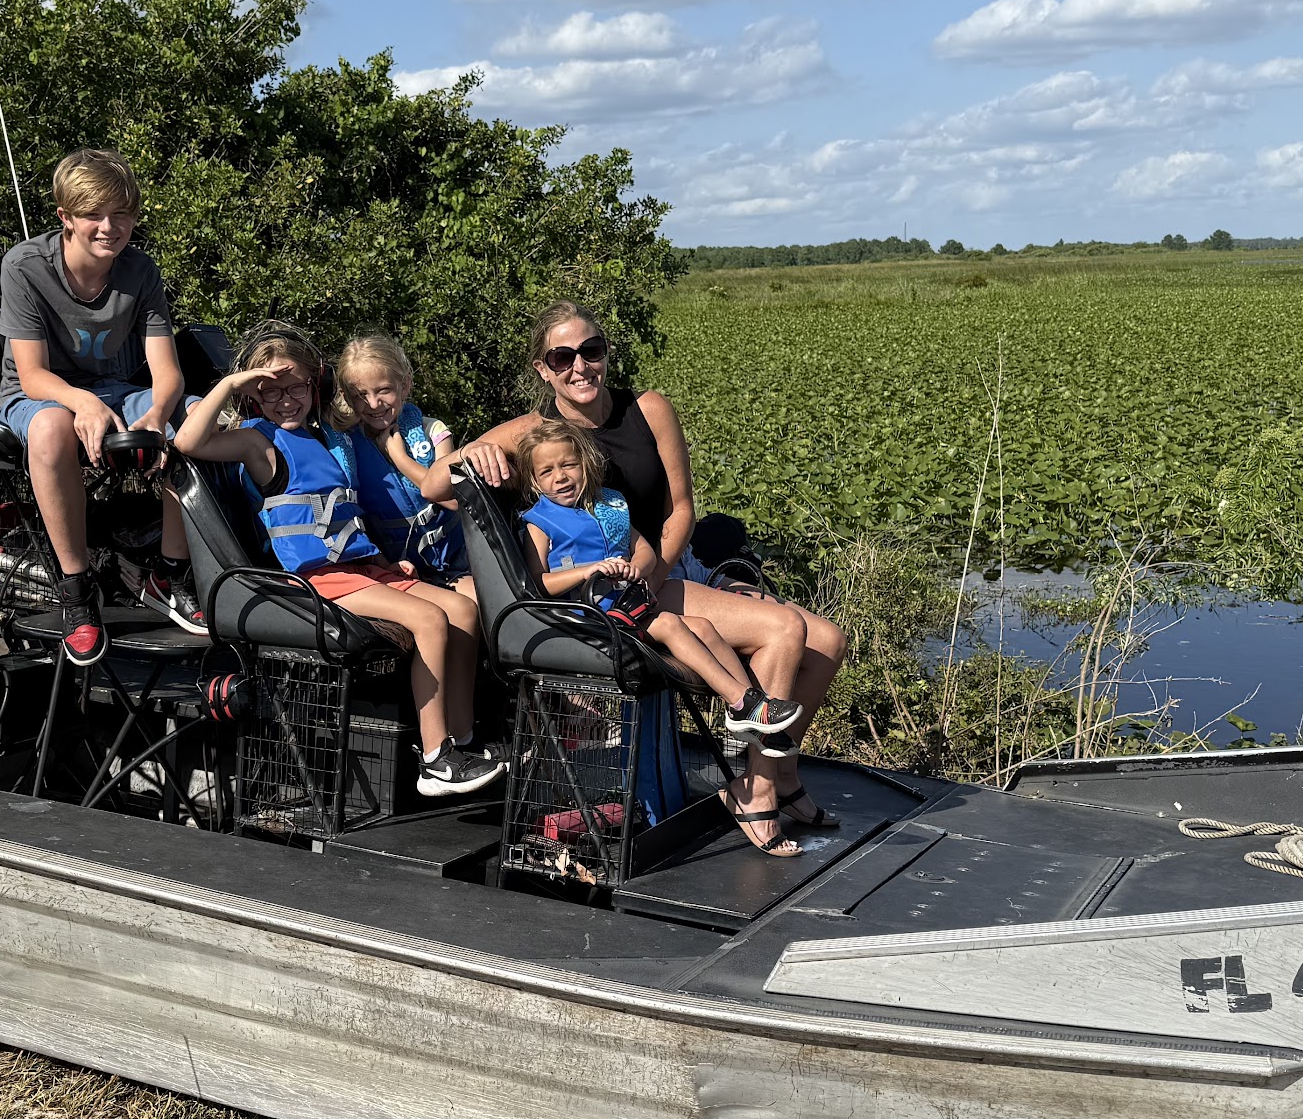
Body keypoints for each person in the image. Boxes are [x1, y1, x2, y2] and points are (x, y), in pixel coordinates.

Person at [440, 300, 849, 851]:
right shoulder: (535, 431)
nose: (579, 366)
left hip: (662, 565)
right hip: (608, 587)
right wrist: (479, 449)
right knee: (786, 630)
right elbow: (434, 488)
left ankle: (775, 775)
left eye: (591, 351)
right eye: (562, 357)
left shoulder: (649, 408)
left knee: (829, 640)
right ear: (543, 368)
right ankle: (757, 790)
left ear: (606, 354)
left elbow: (681, 508)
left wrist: (652, 573)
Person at [176, 327, 504, 799]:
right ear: (254, 393)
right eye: (270, 391)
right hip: (318, 577)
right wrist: (231, 384)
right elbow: (189, 443)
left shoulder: (328, 440)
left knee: (464, 611)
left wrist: (393, 565)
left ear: (313, 386)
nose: (284, 400)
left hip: (364, 567)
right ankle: (435, 759)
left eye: (294, 387)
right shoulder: (258, 442)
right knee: (431, 620)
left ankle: (462, 738)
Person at [516, 421, 807, 854]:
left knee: (703, 627)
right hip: (586, 617)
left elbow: (645, 549)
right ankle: (741, 702)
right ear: (534, 481)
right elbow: (540, 584)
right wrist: (590, 570)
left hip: (624, 604)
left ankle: (749, 707)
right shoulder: (538, 521)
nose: (560, 477)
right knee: (670, 624)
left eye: (568, 465)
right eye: (547, 472)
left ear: (585, 466)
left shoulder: (608, 506)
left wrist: (635, 564)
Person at [0, 149, 202, 666]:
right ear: (66, 217)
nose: (109, 227)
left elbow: (167, 374)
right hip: (38, 394)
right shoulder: (24, 266)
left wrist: (156, 418)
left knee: (198, 419)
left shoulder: (140, 271)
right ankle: (76, 589)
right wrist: (80, 402)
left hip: (112, 387)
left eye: (122, 213)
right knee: (50, 431)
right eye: (94, 214)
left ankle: (171, 571)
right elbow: (33, 375)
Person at [333, 335, 471, 587]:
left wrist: (400, 458)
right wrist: (384, 564)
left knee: (476, 604)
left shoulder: (434, 432)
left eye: (383, 390)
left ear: (404, 385)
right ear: (346, 396)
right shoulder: (346, 447)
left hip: (456, 564)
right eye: (360, 395)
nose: (374, 403)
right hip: (393, 568)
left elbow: (454, 500)